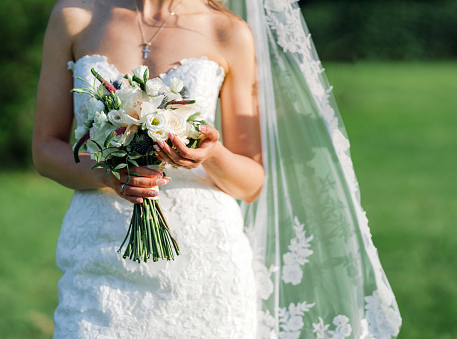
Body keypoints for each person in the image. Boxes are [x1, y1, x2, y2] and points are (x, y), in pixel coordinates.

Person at [33, 0, 402, 337]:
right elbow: (46, 148)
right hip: (100, 258)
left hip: (204, 262)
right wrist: (103, 174)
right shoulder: (76, 17)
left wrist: (212, 154)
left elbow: (251, 182)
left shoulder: (227, 31)